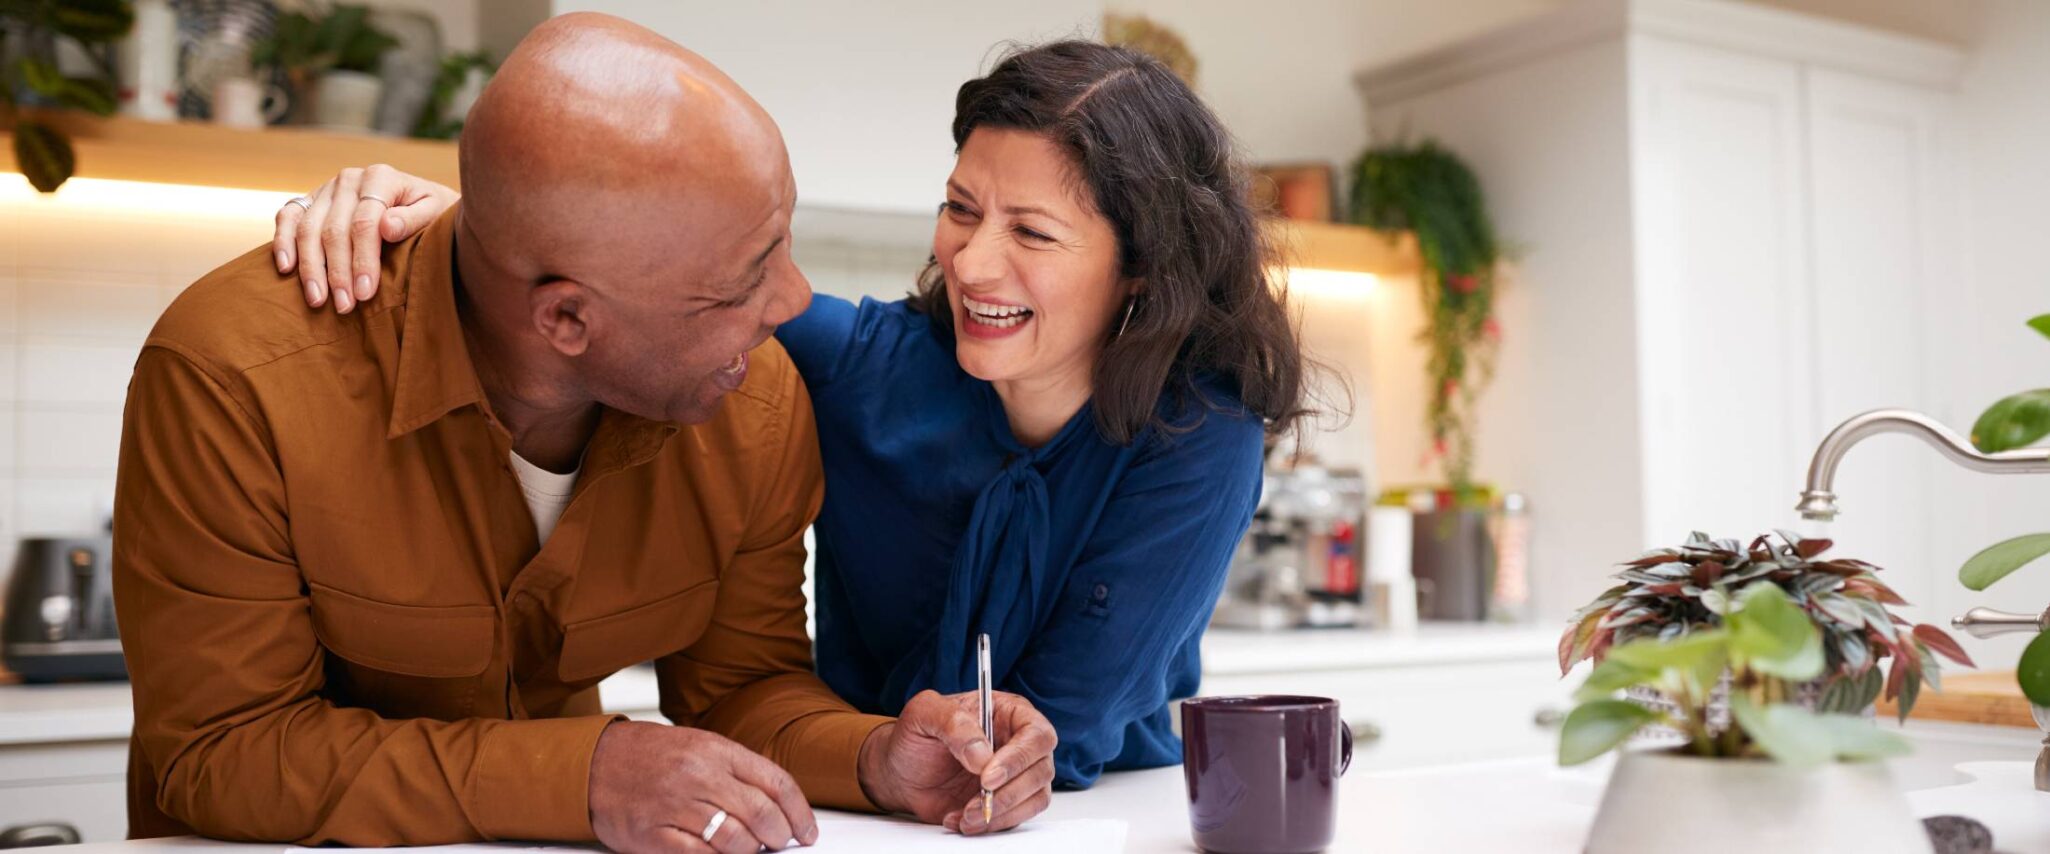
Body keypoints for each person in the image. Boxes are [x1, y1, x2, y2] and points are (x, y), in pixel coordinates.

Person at [274, 40, 1325, 790]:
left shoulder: (1199, 434)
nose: (971, 258)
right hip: (850, 797)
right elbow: (650, 282)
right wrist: (451, 222)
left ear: (1141, 266)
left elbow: (1066, 731)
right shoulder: (867, 364)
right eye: (961, 208)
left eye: (1032, 232)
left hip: (1085, 822)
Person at [113, 14, 1056, 851]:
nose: (793, 303)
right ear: (566, 321)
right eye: (739, 284)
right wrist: (586, 776)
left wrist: (876, 758)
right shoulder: (234, 377)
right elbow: (222, 750)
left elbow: (740, 690)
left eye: (783, 243)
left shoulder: (752, 399)